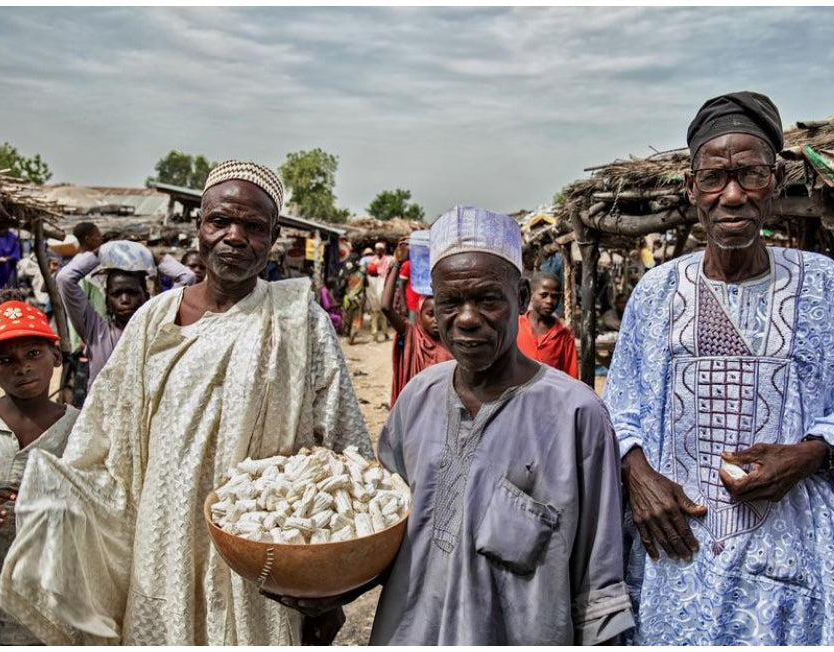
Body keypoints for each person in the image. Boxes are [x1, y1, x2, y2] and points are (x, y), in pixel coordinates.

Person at [0, 160, 372, 645]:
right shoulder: (154, 319)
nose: (234, 237)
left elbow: (345, 455)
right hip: (162, 547)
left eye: (253, 227)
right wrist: (44, 500)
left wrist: (330, 583)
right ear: (200, 227)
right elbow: (101, 440)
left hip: (262, 559)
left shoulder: (300, 321)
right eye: (220, 222)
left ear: (274, 235)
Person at [603, 92, 834, 645]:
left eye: (751, 174)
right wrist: (638, 474)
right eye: (715, 177)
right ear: (691, 188)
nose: (733, 195)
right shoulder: (656, 293)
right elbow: (617, 407)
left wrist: (811, 452)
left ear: (775, 184)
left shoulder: (823, 284)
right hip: (677, 557)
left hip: (794, 563)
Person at [271, 205, 634, 644]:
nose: (465, 318)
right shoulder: (417, 399)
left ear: (519, 296)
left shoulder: (577, 414)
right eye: (450, 302)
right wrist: (325, 587)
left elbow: (599, 585)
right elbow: (382, 534)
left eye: (486, 299)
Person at [0, 293, 79, 645]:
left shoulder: (81, 430)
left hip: (59, 602)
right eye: (5, 360)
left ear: (55, 356)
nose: (22, 367)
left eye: (33, 354)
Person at [55, 240, 197, 388]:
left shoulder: (159, 326)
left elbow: (187, 277)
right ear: (107, 300)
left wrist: (153, 257)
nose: (124, 300)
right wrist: (100, 254)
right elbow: (64, 279)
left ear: (146, 296)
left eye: (132, 292)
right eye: (116, 294)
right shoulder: (95, 330)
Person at [381, 240, 451, 406]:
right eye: (430, 314)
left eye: (440, 314)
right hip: (416, 409)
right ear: (420, 315)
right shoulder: (411, 335)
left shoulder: (452, 340)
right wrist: (398, 264)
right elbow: (385, 307)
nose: (436, 320)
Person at [516, 272, 578, 378]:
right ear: (530, 295)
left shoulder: (564, 336)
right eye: (544, 295)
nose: (549, 301)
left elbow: (571, 378)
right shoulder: (516, 326)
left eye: (555, 296)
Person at [367, 242, 392, 342]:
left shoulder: (387, 260)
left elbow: (387, 273)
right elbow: (369, 271)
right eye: (377, 249)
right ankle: (375, 333)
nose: (378, 251)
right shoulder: (372, 260)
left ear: (383, 250)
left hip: (382, 284)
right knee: (374, 311)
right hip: (373, 284)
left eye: (380, 249)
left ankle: (385, 332)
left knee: (383, 310)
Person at [342, 255, 367, 344]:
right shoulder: (362, 274)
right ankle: (352, 335)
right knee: (357, 318)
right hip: (359, 299)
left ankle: (348, 333)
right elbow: (366, 285)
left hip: (348, 298)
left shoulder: (347, 274)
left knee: (347, 316)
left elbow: (342, 285)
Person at [0, 226, 20, 295]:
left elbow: (15, 254)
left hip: (7, 268)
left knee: (7, 291)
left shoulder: (13, 238)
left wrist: (6, 258)